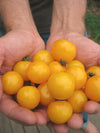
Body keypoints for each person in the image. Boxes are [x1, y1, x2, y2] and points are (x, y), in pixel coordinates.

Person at [0, 0, 100, 133]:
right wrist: (18, 25)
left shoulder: (69, 70)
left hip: (66, 27)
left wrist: (70, 27)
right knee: (83, 100)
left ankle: (84, 123)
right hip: (14, 25)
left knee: (84, 102)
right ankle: (83, 123)